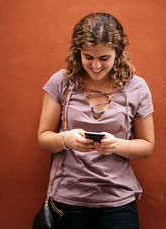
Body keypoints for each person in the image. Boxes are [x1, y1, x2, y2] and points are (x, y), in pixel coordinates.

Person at [38, 12, 154, 229]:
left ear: (118, 54)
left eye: (104, 58)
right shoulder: (61, 82)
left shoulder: (137, 88)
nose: (96, 66)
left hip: (118, 200)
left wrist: (116, 145)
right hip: (67, 200)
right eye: (88, 57)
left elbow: (147, 146)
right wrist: (67, 139)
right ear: (77, 53)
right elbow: (43, 138)